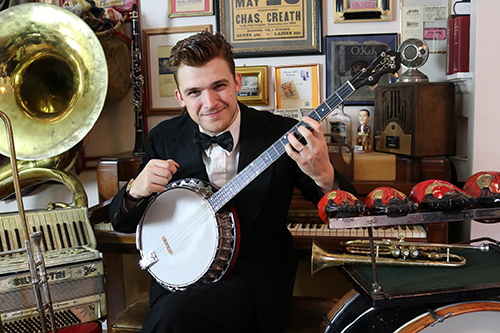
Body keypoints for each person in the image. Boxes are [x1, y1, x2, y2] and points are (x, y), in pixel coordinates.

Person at [109, 31, 357, 333]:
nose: (210, 102)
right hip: (180, 274)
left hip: (253, 279)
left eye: (219, 86)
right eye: (195, 92)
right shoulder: (164, 137)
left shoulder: (282, 134)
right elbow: (122, 222)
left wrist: (324, 174)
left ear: (237, 83)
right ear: (180, 97)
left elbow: (349, 215)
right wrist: (135, 191)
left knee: (173, 318)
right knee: (174, 312)